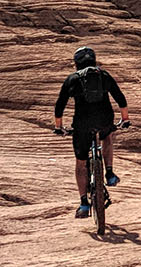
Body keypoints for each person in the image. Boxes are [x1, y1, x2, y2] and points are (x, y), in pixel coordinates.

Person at [52, 46, 130, 218]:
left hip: (82, 124)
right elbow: (120, 98)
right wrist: (125, 119)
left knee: (81, 163)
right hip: (104, 120)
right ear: (94, 61)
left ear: (76, 64)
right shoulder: (104, 75)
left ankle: (84, 204)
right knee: (107, 137)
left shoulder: (72, 79)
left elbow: (59, 106)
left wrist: (59, 127)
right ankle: (109, 173)